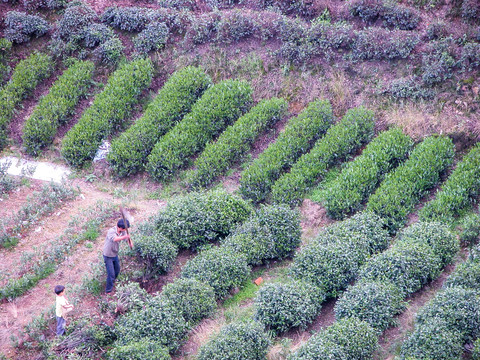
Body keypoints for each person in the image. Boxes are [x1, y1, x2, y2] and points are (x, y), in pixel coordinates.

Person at [102, 219, 131, 294]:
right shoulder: (111, 231)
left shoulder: (122, 231)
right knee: (111, 274)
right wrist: (125, 237)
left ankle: (112, 282)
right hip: (108, 255)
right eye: (125, 228)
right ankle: (108, 291)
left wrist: (129, 242)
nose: (125, 230)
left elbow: (126, 239)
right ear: (120, 227)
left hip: (115, 254)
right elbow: (115, 239)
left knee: (117, 270)